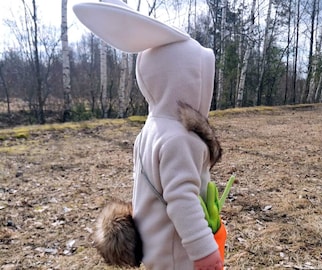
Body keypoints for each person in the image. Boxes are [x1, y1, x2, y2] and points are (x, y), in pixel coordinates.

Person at [73, 1, 225, 269]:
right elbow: (181, 199)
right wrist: (204, 250)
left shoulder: (152, 128)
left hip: (155, 245)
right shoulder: (182, 138)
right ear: (190, 81)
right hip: (177, 253)